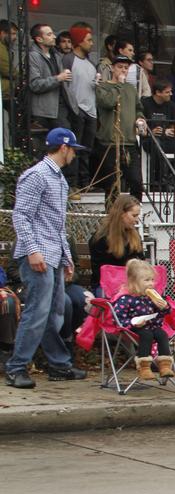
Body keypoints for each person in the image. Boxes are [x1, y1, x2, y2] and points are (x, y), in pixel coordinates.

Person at [5, 128, 89, 389]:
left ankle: (58, 364)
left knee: (53, 312)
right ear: (63, 148)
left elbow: (56, 224)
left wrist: (66, 257)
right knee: (38, 312)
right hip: (39, 253)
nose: (75, 154)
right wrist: (32, 250)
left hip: (51, 253)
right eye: (73, 148)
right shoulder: (37, 176)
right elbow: (21, 216)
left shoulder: (58, 179)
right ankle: (16, 367)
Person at [94, 55, 146, 204]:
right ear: (112, 68)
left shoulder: (131, 89)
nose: (123, 70)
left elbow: (138, 108)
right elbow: (108, 102)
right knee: (112, 185)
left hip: (129, 142)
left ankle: (134, 215)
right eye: (120, 67)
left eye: (125, 67)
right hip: (109, 142)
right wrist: (118, 85)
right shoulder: (103, 87)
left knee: (136, 181)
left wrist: (140, 118)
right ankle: (112, 219)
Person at [112, 258, 174, 380]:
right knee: (146, 335)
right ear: (133, 281)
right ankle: (144, 367)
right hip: (134, 328)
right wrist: (132, 323)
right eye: (147, 280)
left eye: (152, 280)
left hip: (152, 325)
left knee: (162, 334)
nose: (151, 283)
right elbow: (118, 318)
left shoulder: (151, 296)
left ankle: (164, 365)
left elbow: (160, 315)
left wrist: (164, 307)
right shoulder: (125, 298)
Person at [141, 77, 175, 190]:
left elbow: (173, 125)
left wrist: (173, 131)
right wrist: (150, 132)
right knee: (156, 142)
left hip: (167, 140)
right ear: (158, 92)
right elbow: (138, 125)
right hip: (149, 140)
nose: (170, 94)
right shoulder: (145, 104)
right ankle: (160, 181)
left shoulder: (171, 105)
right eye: (167, 92)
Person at [64, 23, 99, 193]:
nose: (92, 43)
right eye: (88, 40)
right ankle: (73, 183)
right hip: (77, 109)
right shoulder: (69, 60)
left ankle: (85, 182)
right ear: (79, 41)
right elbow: (65, 86)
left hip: (91, 110)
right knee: (75, 147)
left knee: (87, 149)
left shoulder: (92, 63)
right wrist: (73, 108)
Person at [88, 194, 146, 292]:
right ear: (121, 214)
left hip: (132, 285)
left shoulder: (135, 237)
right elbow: (101, 273)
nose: (136, 220)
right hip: (106, 286)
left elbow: (142, 262)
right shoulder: (101, 239)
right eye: (134, 215)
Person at [27, 24, 74, 134]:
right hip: (44, 110)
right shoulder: (33, 56)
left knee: (67, 138)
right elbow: (34, 84)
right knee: (61, 140)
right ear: (39, 39)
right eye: (49, 34)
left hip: (60, 106)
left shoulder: (55, 55)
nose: (54, 37)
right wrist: (58, 78)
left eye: (53, 33)